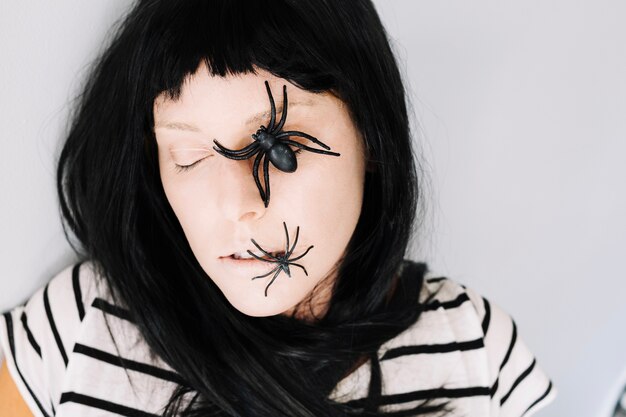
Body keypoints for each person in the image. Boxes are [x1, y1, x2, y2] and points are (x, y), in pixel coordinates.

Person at [0, 0, 558, 416]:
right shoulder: (82, 325)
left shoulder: (479, 348)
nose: (236, 207)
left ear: (372, 141)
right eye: (189, 154)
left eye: (285, 139)